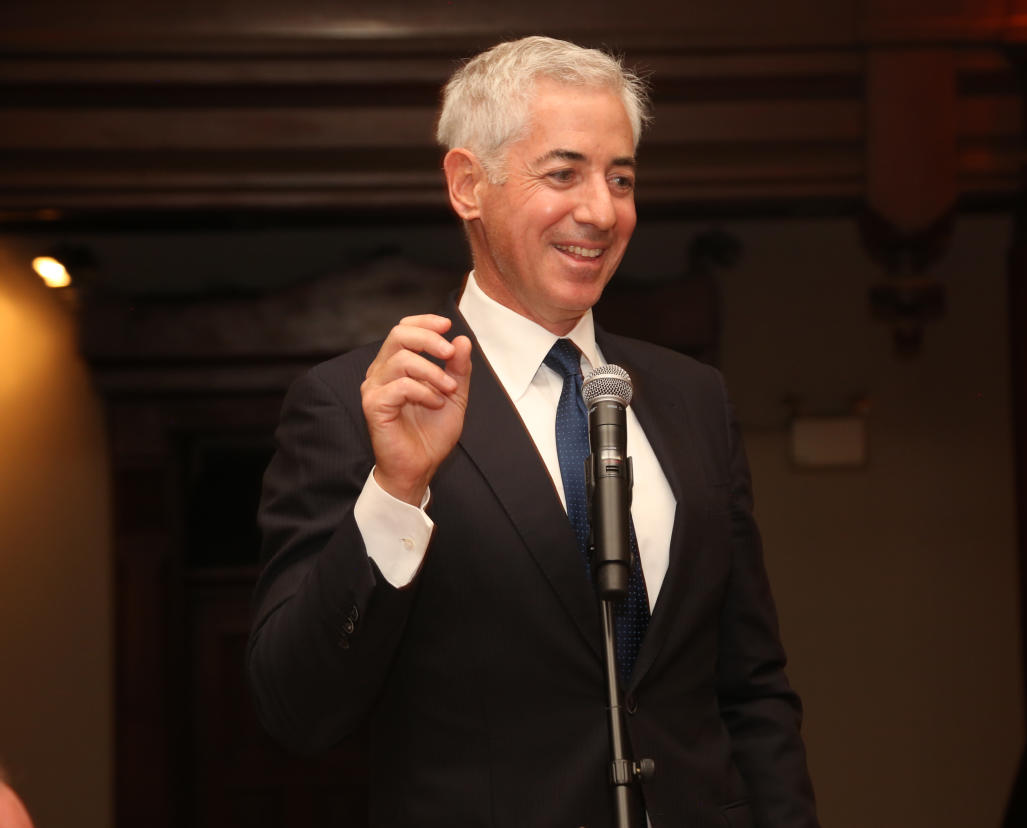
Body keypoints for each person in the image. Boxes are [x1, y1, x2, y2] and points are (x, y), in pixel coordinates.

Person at [248, 35, 819, 827]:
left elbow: (751, 688)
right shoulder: (355, 404)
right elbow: (296, 708)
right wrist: (396, 492)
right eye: (564, 173)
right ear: (468, 184)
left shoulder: (692, 398)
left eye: (621, 178)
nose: (601, 210)